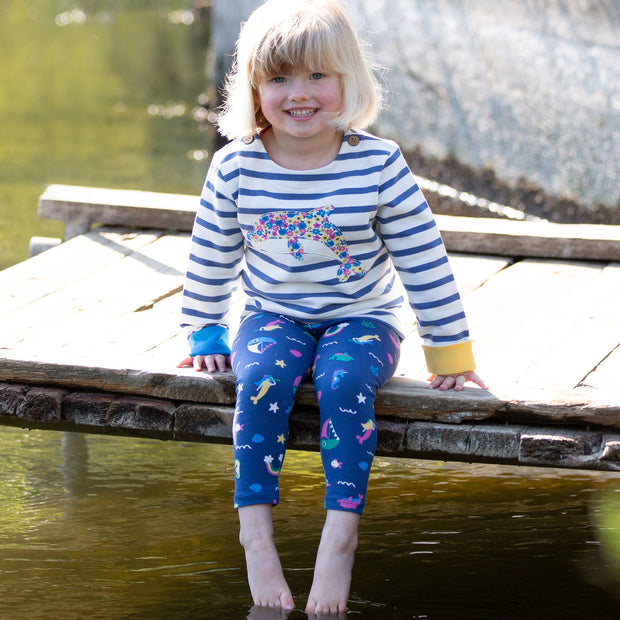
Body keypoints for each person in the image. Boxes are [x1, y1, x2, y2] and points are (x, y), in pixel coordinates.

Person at [178, 0, 486, 614]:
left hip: (362, 318)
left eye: (317, 76)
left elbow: (424, 262)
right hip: (272, 316)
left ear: (347, 80)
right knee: (261, 379)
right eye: (280, 78)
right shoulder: (235, 167)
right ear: (254, 87)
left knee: (345, 383)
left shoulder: (377, 163)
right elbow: (210, 258)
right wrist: (205, 335)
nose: (299, 94)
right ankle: (256, 537)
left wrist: (449, 352)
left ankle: (338, 539)